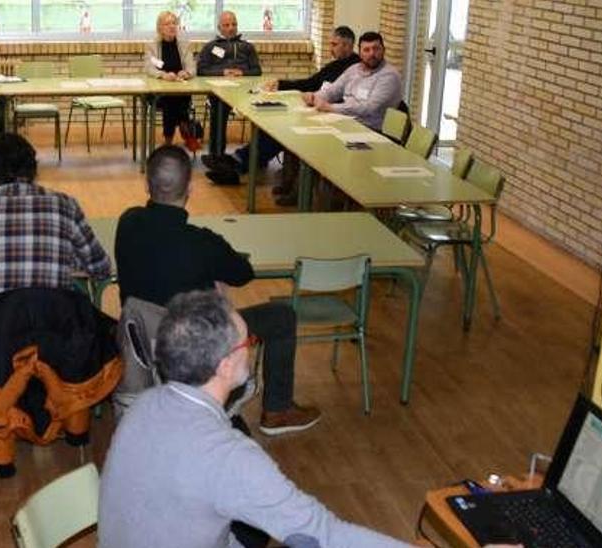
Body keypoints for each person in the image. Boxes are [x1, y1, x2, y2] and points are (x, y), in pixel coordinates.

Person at [98, 290, 409, 548]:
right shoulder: (230, 457)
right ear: (224, 366)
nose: (251, 348)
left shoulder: (143, 405)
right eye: (247, 343)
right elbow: (323, 535)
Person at [116, 145, 318, 435]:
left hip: (144, 345)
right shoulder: (203, 244)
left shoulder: (128, 223)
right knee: (282, 316)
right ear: (191, 188)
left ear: (147, 185)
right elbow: (243, 274)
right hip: (195, 348)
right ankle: (277, 410)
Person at [0, 133, 111, 296]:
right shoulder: (65, 203)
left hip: (0, 319)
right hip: (56, 318)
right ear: (33, 166)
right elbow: (101, 267)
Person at [235, 26, 361, 203]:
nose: (330, 48)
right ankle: (249, 163)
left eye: (334, 44)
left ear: (348, 46)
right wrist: (281, 83)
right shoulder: (335, 64)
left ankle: (244, 164)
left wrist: (319, 100)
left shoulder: (354, 69)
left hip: (337, 119)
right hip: (319, 111)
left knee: (291, 135)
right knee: (279, 128)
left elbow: (345, 98)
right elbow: (311, 83)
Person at [196, 11, 261, 167]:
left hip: (244, 91)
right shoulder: (211, 47)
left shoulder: (247, 47)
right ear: (219, 27)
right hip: (221, 92)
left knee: (262, 110)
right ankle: (217, 154)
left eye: (234, 24)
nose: (231, 28)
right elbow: (202, 71)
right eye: (226, 25)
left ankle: (257, 156)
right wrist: (222, 72)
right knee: (218, 107)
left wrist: (242, 72)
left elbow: (257, 71)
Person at [304, 31, 403, 131]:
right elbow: (333, 91)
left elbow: (369, 108)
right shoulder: (354, 70)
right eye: (366, 50)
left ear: (383, 50)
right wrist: (315, 97)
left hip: (372, 131)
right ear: (360, 53)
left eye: (376, 49)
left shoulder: (389, 76)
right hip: (347, 123)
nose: (372, 54)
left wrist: (330, 107)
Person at [144, 11, 196, 146]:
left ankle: (168, 142)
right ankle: (186, 131)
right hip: (159, 93)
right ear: (159, 27)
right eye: (167, 24)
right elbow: (149, 68)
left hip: (181, 89)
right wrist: (163, 75)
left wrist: (186, 73)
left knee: (177, 99)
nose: (172, 26)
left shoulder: (184, 45)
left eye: (174, 23)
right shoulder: (152, 46)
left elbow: (192, 68)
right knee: (171, 101)